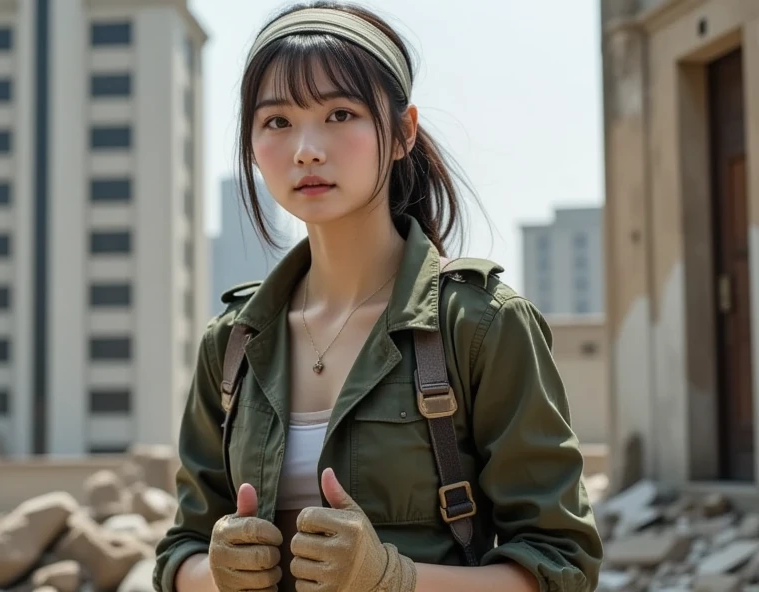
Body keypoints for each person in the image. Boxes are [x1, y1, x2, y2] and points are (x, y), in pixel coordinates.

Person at [153, 2, 604, 591]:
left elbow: (561, 566)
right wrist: (214, 573)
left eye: (340, 113)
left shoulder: (479, 325)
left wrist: (393, 578)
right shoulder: (234, 341)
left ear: (403, 133)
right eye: (277, 122)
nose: (307, 149)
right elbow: (177, 552)